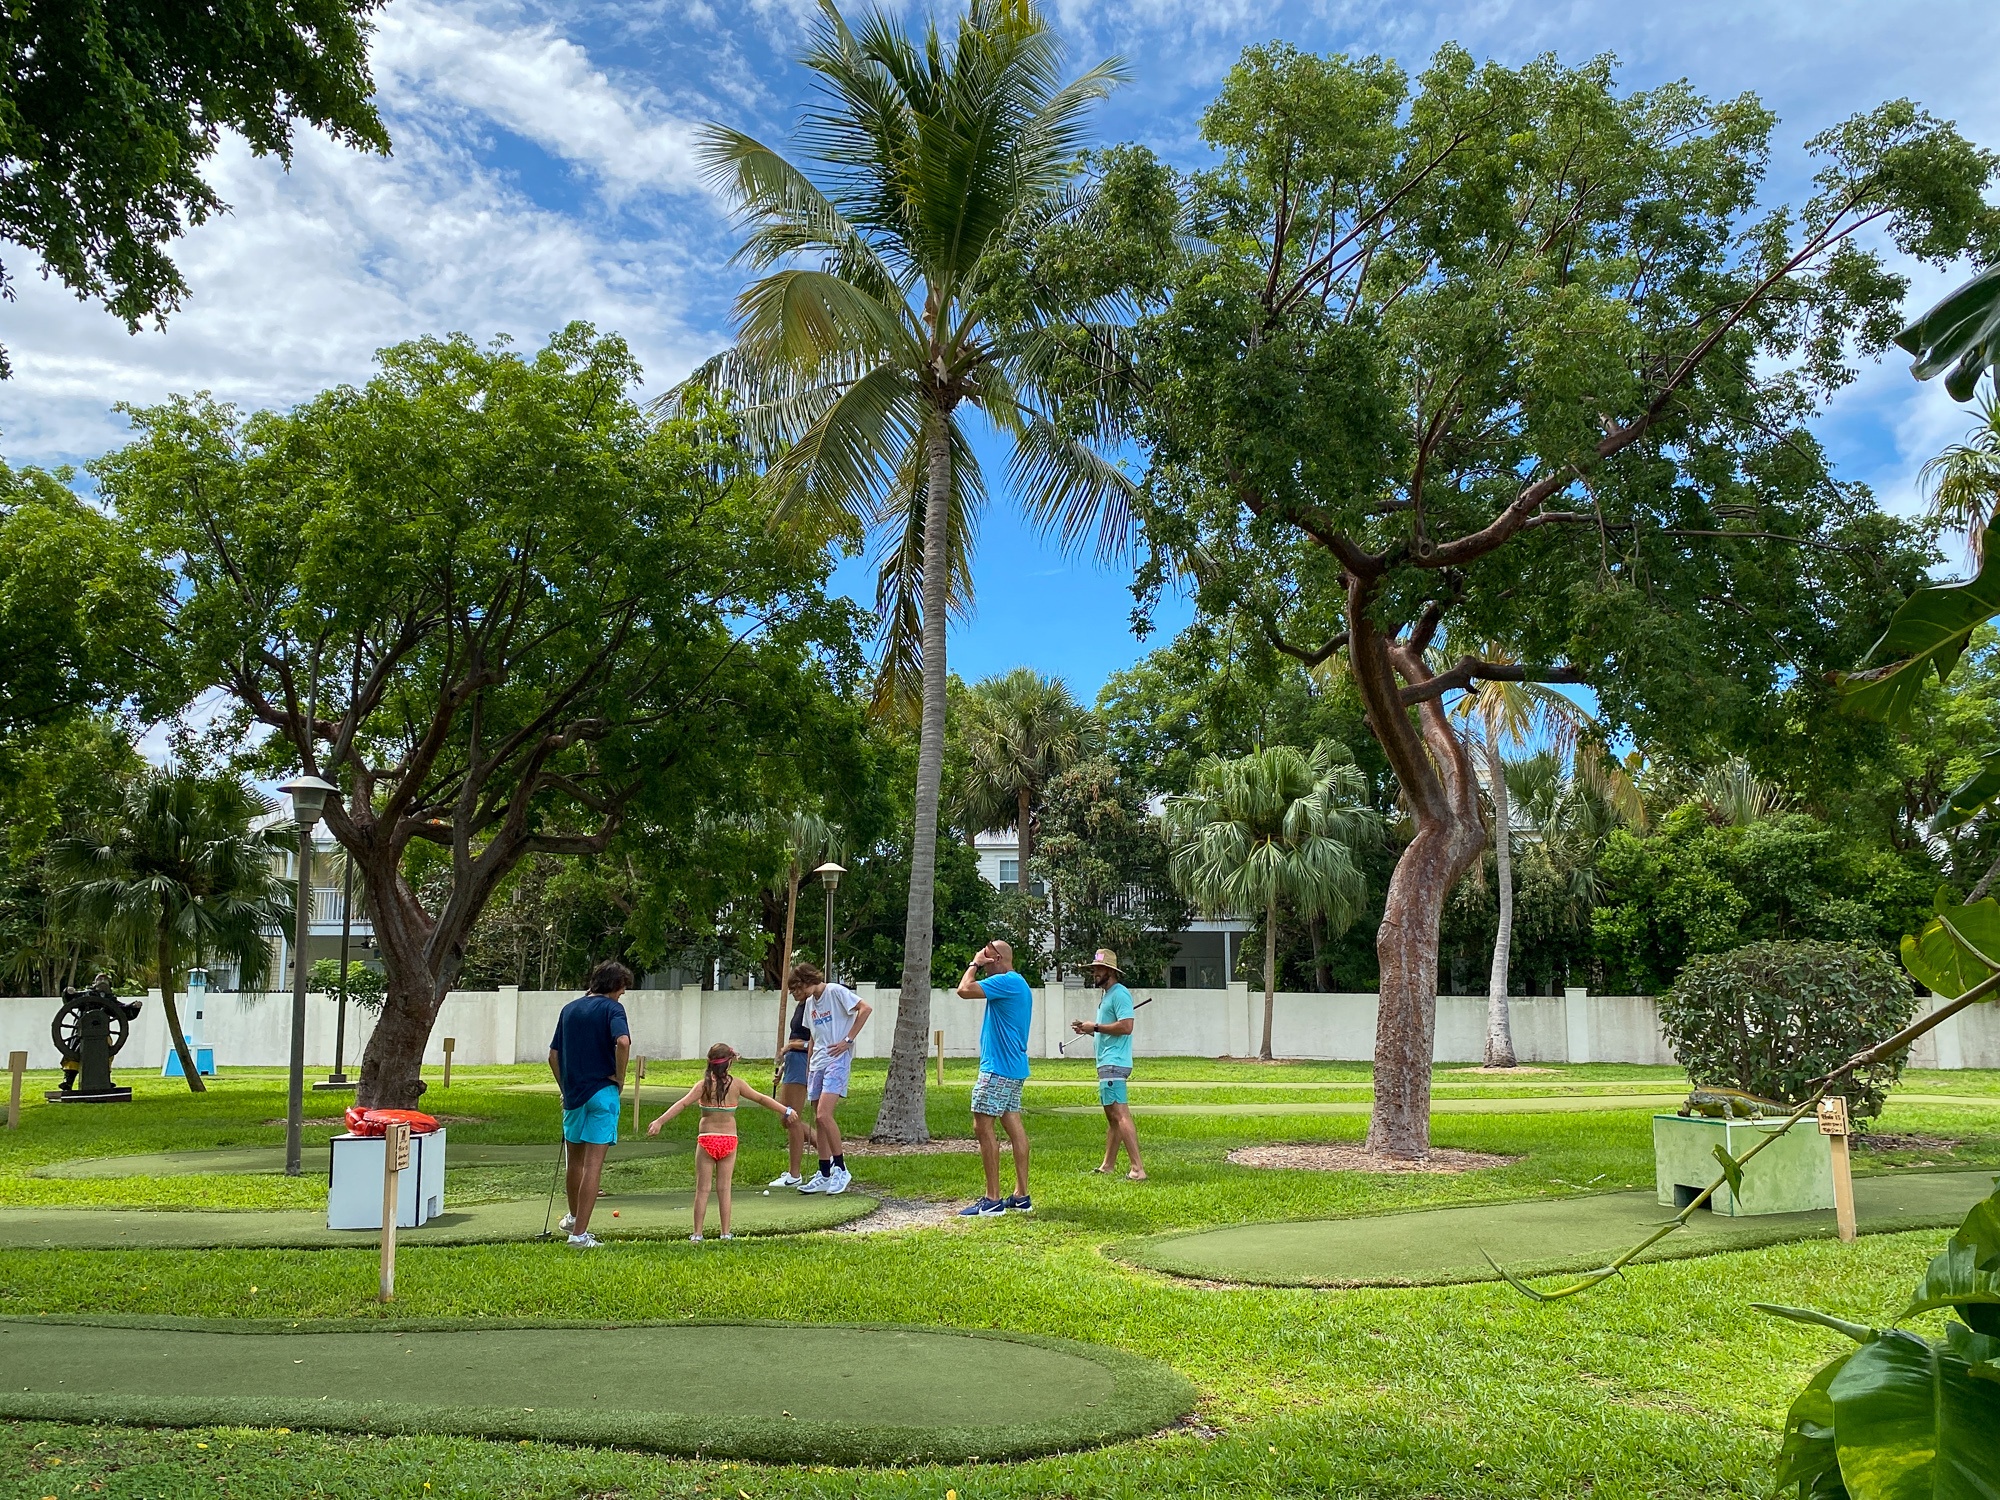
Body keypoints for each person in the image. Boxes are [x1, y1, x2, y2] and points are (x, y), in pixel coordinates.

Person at [649, 1042, 795, 1241]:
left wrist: (660, 1121)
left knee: (703, 1189)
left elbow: (682, 1104)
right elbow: (761, 1099)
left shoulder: (703, 1086)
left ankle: (697, 1234)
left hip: (707, 1140)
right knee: (724, 1189)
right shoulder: (737, 1085)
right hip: (728, 1140)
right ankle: (725, 1233)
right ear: (729, 1063)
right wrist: (786, 1110)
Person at [548, 959, 633, 1249]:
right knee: (593, 1165)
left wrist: (565, 1088)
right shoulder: (613, 1009)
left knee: (575, 1162)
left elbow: (553, 1056)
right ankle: (579, 1235)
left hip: (574, 1096)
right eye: (622, 990)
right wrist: (619, 1078)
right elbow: (623, 1042)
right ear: (616, 985)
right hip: (603, 1091)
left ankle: (573, 1219)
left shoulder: (569, 1009)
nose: (622, 995)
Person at [955, 938, 1033, 1216]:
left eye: (988, 958)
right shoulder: (1019, 983)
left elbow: (963, 990)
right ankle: (1021, 1196)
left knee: (982, 1126)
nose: (985, 963)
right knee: (1014, 1126)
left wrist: (974, 964)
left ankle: (992, 1200)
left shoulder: (1005, 981)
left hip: (997, 1070)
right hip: (1014, 1068)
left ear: (998, 958)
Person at [788, 962, 871, 1194]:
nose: (795, 994)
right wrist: (809, 1066)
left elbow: (865, 1009)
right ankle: (824, 1172)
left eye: (796, 989)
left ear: (806, 982)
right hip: (818, 1063)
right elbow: (814, 1037)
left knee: (824, 1114)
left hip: (837, 1060)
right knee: (818, 1118)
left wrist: (848, 1040)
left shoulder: (835, 991)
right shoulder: (809, 1004)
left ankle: (841, 1169)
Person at [1072, 948, 1145, 1180]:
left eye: (1098, 969)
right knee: (1113, 1118)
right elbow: (1108, 1030)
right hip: (1107, 1062)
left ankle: (1137, 1169)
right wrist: (1088, 1029)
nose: (1094, 972)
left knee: (1120, 1114)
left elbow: (1126, 1026)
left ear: (1110, 971)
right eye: (1093, 969)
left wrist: (1094, 1026)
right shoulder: (1107, 997)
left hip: (1114, 1062)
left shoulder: (1119, 994)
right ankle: (1107, 1165)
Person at [769, 990, 817, 1187]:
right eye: (791, 988)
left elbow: (817, 1041)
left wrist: (793, 1046)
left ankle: (794, 1174)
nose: (793, 992)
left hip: (802, 1061)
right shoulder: (801, 1005)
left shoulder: (814, 1005)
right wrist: (782, 1067)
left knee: (791, 1116)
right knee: (786, 1117)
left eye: (797, 987)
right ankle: (830, 1157)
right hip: (792, 1061)